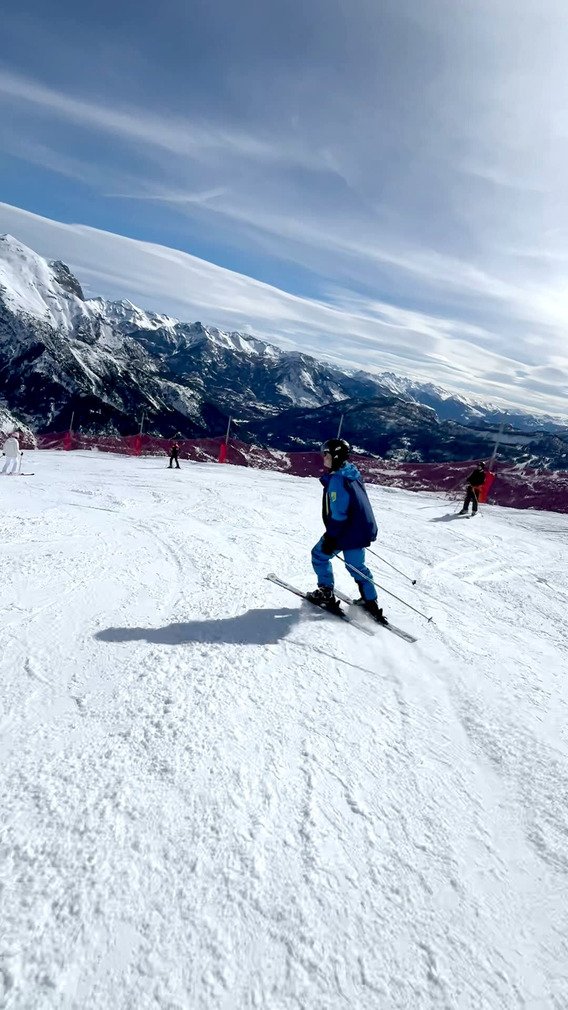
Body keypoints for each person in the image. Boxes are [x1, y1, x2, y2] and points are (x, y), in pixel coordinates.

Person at [307, 438, 386, 622]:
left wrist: (330, 538)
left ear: (335, 456)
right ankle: (370, 601)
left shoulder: (337, 480)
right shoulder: (352, 472)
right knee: (356, 567)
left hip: (345, 532)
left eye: (326, 454)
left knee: (319, 555)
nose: (323, 457)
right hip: (360, 530)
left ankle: (325, 593)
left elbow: (339, 515)